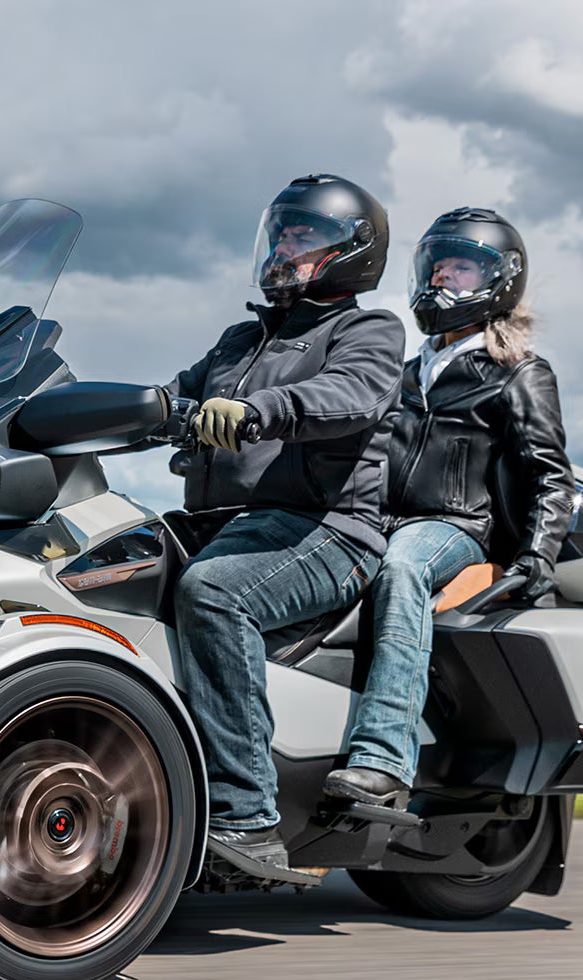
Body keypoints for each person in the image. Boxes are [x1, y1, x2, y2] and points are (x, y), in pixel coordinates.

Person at [166, 174, 405, 872]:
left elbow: (349, 394)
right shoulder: (240, 339)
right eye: (281, 234)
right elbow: (169, 397)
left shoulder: (367, 330)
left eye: (304, 237)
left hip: (327, 530)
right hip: (224, 524)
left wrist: (258, 411)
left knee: (215, 594)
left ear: (351, 251)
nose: (283, 249)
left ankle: (246, 817)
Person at [323, 207, 575, 806]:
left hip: (453, 526)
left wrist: (537, 559)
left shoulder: (518, 373)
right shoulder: (407, 371)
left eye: (460, 268)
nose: (441, 278)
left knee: (402, 566)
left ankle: (384, 758)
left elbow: (550, 476)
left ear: (499, 280)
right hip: (377, 518)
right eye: (436, 266)